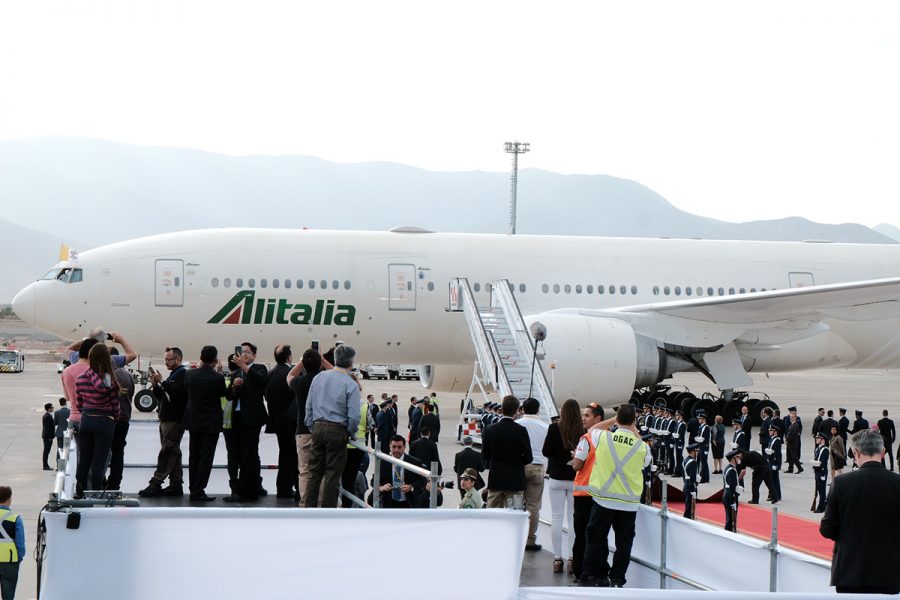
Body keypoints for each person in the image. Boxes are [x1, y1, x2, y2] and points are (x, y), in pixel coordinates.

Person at [820, 429, 900, 594]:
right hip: (889, 571)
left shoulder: (841, 483)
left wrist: (849, 536)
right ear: (883, 452)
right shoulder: (897, 483)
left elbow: (827, 528)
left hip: (849, 571)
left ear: (855, 453)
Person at [579, 404, 651, 589]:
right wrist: (634, 430)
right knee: (624, 544)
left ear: (617, 419)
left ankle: (591, 575)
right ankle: (617, 579)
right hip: (628, 504)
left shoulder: (604, 437)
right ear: (634, 421)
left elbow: (592, 429)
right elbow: (646, 462)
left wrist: (614, 420)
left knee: (595, 538)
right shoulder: (641, 446)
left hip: (603, 500)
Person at [304, 344, 361, 508]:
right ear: (351, 363)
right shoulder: (351, 384)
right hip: (337, 430)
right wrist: (349, 431)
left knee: (314, 472)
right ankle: (328, 512)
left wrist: (312, 426)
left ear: (335, 360)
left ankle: (309, 510)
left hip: (318, 426)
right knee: (332, 475)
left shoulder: (319, 377)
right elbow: (354, 416)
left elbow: (309, 406)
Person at [140, 347, 189, 498]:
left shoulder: (183, 374)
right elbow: (164, 396)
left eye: (169, 359)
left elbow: (176, 393)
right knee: (173, 451)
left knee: (167, 452)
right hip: (167, 418)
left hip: (174, 420)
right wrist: (155, 385)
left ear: (178, 359)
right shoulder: (174, 374)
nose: (166, 362)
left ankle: (155, 483)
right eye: (165, 359)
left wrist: (162, 382)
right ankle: (176, 484)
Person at [224, 342, 269, 502]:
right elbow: (229, 396)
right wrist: (233, 388)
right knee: (242, 454)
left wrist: (245, 367)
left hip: (252, 418)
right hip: (237, 419)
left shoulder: (259, 368)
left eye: (248, 352)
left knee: (249, 454)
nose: (244, 355)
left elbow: (262, 381)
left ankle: (247, 490)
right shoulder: (236, 373)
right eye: (242, 352)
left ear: (254, 355)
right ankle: (251, 486)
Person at [542, 398, 583, 574]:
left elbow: (546, 451)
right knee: (573, 519)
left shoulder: (554, 428)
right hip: (575, 479)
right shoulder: (583, 430)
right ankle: (572, 558)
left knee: (557, 518)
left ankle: (557, 558)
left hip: (557, 478)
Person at [74, 344, 121, 496]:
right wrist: (114, 418)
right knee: (99, 462)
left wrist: (86, 414)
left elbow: (79, 403)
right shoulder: (109, 380)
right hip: (104, 421)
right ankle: (96, 493)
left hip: (86, 420)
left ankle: (79, 491)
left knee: (84, 460)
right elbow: (115, 406)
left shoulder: (80, 378)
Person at [184, 345, 227, 501]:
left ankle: (192, 487)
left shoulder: (189, 375)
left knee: (193, 456)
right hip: (211, 423)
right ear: (215, 360)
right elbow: (226, 395)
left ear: (200, 357)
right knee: (206, 457)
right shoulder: (218, 378)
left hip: (193, 421)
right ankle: (199, 489)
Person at [288, 348, 330, 504]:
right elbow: (341, 376)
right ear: (320, 364)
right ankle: (321, 502)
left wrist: (301, 362)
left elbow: (290, 375)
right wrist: (323, 361)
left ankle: (306, 502)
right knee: (323, 470)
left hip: (303, 431)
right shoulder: (327, 381)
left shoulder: (299, 383)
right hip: (323, 429)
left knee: (305, 471)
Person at [571, 402, 606, 583]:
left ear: (598, 419)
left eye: (587, 415)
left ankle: (580, 570)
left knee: (581, 535)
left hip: (584, 494)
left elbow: (577, 465)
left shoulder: (586, 439)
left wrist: (574, 458)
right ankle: (599, 571)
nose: (583, 418)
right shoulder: (608, 437)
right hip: (601, 495)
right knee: (599, 536)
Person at [481, 395, 532, 510]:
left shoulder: (489, 429)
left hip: (496, 478)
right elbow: (529, 457)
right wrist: (518, 463)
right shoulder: (521, 430)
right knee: (514, 514)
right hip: (515, 479)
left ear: (502, 409)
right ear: (516, 411)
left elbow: (485, 455)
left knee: (493, 514)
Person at [265, 345, 299, 499]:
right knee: (292, 456)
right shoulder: (291, 374)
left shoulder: (270, 373)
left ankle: (283, 487)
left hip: (277, 422)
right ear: (289, 357)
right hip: (291, 422)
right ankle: (289, 488)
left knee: (284, 454)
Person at [519, 397, 549, 552]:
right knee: (534, 506)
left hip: (519, 467)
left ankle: (516, 536)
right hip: (537, 467)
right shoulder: (545, 427)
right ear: (538, 410)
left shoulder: (517, 425)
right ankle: (530, 539)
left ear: (522, 409)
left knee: (516, 504)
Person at [371, 435, 426, 508]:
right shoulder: (383, 462)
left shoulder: (414, 462)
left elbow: (423, 481)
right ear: (390, 447)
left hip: (408, 503)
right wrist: (382, 487)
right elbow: (373, 480)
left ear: (404, 447)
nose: (396, 450)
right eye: (393, 447)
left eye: (399, 447)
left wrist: (411, 487)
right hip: (388, 503)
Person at [106, 349, 134, 491]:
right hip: (124, 418)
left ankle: (101, 481)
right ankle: (115, 483)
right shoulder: (128, 375)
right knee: (118, 452)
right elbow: (131, 395)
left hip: (108, 418)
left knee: (103, 451)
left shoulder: (106, 375)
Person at [0, 486, 25, 600]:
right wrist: (19, 558)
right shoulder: (15, 518)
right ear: (9, 499)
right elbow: (20, 544)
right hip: (10, 562)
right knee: (8, 595)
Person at [722, 449, 742, 532]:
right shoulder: (732, 470)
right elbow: (731, 488)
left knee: (729, 517)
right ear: (733, 458)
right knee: (731, 519)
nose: (739, 459)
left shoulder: (728, 468)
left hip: (727, 494)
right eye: (738, 457)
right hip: (730, 496)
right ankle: (729, 533)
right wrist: (733, 500)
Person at [811, 431, 829, 513]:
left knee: (822, 490)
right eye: (816, 438)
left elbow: (824, 462)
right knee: (818, 489)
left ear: (823, 440)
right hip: (817, 471)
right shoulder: (817, 448)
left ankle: (821, 507)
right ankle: (824, 505)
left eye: (818, 438)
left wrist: (822, 473)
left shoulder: (825, 449)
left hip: (821, 472)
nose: (816, 439)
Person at [765, 423, 783, 503]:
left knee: (775, 480)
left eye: (771, 430)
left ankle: (777, 495)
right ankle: (772, 495)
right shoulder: (772, 439)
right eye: (769, 430)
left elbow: (778, 454)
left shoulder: (777, 440)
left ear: (775, 432)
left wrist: (776, 464)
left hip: (773, 462)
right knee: (771, 480)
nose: (770, 432)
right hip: (770, 461)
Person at [682, 443, 700, 519]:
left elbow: (684, 475)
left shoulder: (685, 460)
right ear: (693, 451)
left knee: (688, 505)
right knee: (690, 507)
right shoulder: (693, 462)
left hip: (686, 484)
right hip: (691, 486)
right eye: (697, 451)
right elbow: (692, 478)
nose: (698, 453)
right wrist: (693, 488)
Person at [784, 407, 804, 474]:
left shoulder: (796, 425)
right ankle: (790, 469)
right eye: (790, 417)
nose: (791, 418)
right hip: (790, 443)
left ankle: (800, 468)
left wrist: (787, 440)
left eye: (792, 417)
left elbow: (792, 435)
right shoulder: (792, 425)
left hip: (793, 443)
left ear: (795, 418)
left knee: (794, 457)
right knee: (790, 457)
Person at [694, 412, 711, 483]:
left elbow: (706, 439)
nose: (699, 420)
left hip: (704, 447)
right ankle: (706, 478)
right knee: (703, 463)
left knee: (703, 463)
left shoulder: (706, 427)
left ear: (704, 419)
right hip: (700, 446)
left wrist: (706, 449)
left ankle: (703, 478)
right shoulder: (701, 427)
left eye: (700, 418)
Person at [41, 403, 55, 470]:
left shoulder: (47, 416)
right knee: (46, 451)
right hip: (47, 437)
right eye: (52, 407)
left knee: (47, 451)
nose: (53, 408)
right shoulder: (48, 417)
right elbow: (47, 428)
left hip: (47, 436)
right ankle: (45, 465)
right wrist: (50, 437)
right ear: (49, 408)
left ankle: (45, 464)